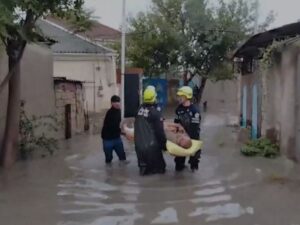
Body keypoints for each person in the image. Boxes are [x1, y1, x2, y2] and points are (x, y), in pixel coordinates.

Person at [134, 86, 167, 175]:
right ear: (154, 98)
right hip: (152, 148)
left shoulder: (139, 109)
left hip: (139, 147)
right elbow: (160, 132)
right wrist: (164, 145)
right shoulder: (155, 113)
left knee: (144, 171)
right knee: (160, 170)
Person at [174, 86, 201, 172]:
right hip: (181, 138)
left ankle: (193, 168)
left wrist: (191, 143)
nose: (179, 98)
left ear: (187, 96)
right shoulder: (178, 109)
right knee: (178, 164)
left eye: (181, 96)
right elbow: (176, 123)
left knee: (194, 164)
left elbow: (195, 129)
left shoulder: (195, 111)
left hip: (192, 138)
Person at [101, 95, 128, 165]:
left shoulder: (119, 111)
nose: (117, 103)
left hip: (117, 138)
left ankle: (122, 173)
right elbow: (113, 127)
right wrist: (125, 133)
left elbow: (119, 125)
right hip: (107, 139)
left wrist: (123, 130)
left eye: (118, 101)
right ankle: (109, 174)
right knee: (108, 159)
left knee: (122, 157)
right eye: (115, 102)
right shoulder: (110, 113)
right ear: (112, 103)